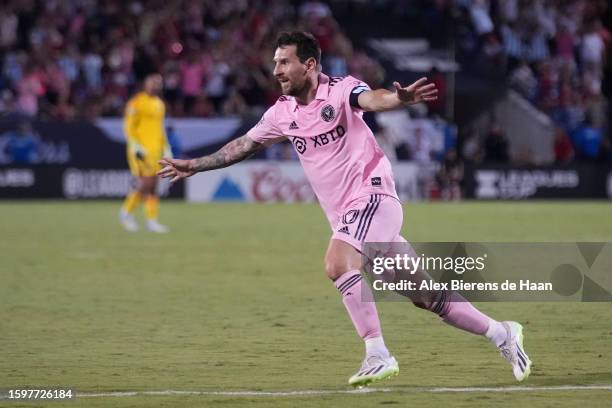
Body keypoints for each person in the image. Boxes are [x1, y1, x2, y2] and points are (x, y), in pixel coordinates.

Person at [158, 32, 531, 387]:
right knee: (428, 297)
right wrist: (197, 164)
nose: (276, 71)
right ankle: (503, 333)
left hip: (373, 198)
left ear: (309, 64)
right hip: (355, 220)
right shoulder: (282, 112)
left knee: (337, 263)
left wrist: (398, 100)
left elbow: (372, 100)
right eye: (275, 63)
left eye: (284, 62)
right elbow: (243, 145)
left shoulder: (339, 90)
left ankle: (377, 353)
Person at [120, 73, 171, 233]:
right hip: (140, 150)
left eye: (158, 83)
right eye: (153, 82)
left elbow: (160, 129)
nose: (155, 85)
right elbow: (128, 126)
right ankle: (126, 213)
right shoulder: (136, 102)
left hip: (155, 150)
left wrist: (166, 148)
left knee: (154, 186)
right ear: (146, 84)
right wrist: (135, 145)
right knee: (146, 182)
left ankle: (152, 220)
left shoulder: (159, 104)